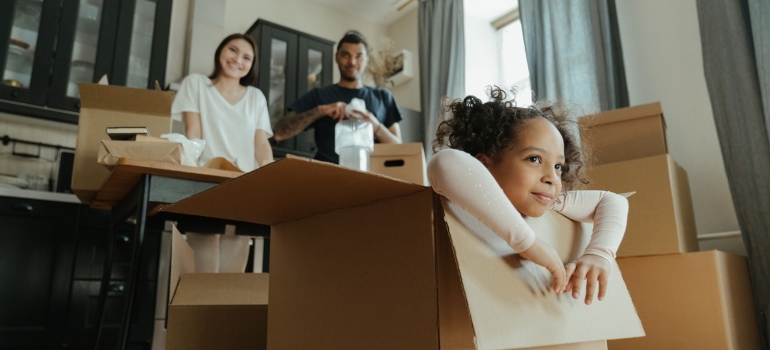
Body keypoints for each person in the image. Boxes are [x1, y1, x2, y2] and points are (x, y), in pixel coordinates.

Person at [427, 88, 628, 305]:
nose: (552, 178)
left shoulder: (548, 199)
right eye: (534, 159)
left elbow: (613, 200)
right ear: (484, 163)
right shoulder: (457, 189)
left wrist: (599, 254)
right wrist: (528, 244)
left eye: (558, 166)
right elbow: (445, 162)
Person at [272, 30, 403, 164]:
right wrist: (320, 111)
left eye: (358, 56)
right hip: (327, 176)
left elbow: (400, 150)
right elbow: (279, 132)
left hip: (371, 178)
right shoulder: (319, 95)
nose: (352, 61)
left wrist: (375, 125)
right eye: (346, 55)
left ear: (366, 60)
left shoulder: (383, 97)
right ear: (336, 57)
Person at [173, 33, 273, 172]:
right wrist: (191, 175)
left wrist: (273, 177)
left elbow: (261, 144)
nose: (237, 60)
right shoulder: (196, 84)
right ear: (220, 50)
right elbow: (194, 134)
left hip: (244, 180)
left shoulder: (256, 97)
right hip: (207, 174)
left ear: (252, 65)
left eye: (246, 58)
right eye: (233, 50)